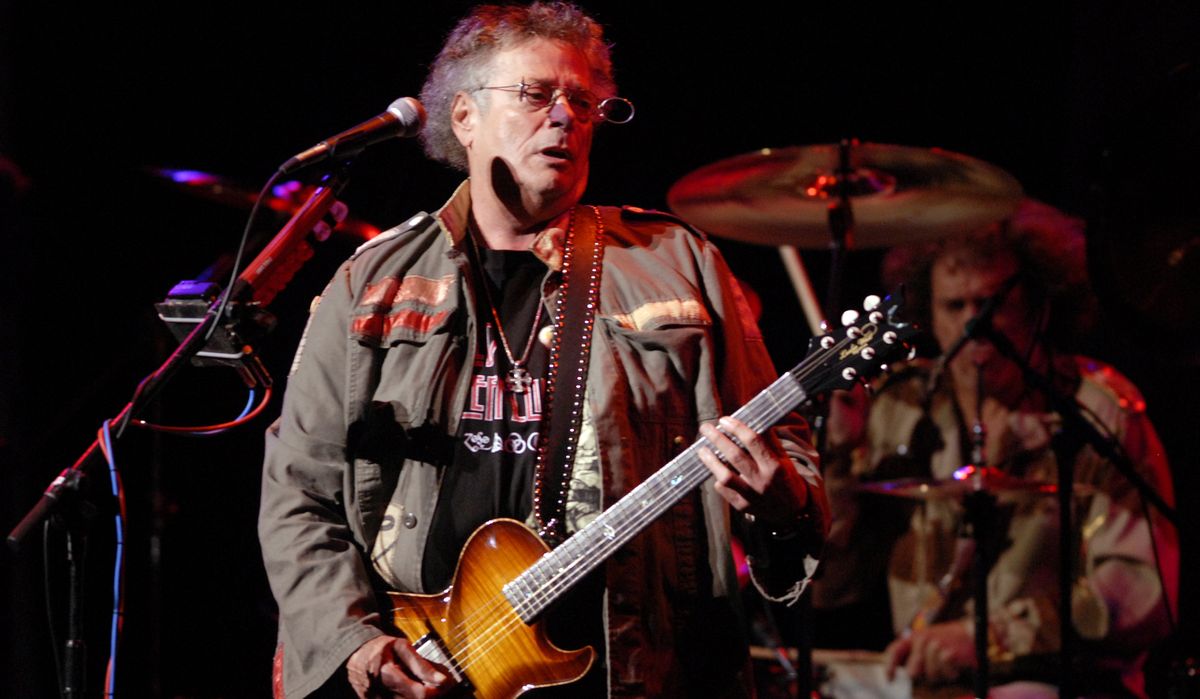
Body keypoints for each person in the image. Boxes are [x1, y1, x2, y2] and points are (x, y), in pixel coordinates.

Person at [258, 3, 828, 698]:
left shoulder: (678, 263)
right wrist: (356, 640)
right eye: (535, 94)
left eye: (585, 102)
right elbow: (299, 490)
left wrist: (785, 502)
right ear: (463, 117)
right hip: (425, 665)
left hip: (632, 668)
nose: (564, 116)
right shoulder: (373, 281)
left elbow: (785, 452)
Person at [815, 199, 1179, 697]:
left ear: (1038, 306)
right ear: (929, 312)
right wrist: (837, 457)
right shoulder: (902, 407)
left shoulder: (1098, 408)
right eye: (955, 307)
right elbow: (833, 588)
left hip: (1054, 683)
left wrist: (990, 639)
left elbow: (1141, 596)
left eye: (991, 306)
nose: (974, 329)